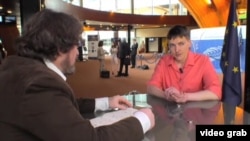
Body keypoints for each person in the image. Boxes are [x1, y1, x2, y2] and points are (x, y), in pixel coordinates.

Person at [0, 9, 155, 141]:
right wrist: (142, 120)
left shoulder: (21, 69)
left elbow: (61, 105)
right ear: (61, 48)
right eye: (77, 44)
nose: (78, 51)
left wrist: (107, 102)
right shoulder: (38, 85)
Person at [147, 25, 221, 103]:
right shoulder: (164, 61)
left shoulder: (203, 61)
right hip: (171, 112)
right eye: (172, 45)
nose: (177, 50)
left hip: (196, 112)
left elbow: (216, 93)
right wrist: (166, 96)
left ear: (189, 43)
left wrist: (185, 97)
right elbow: (151, 87)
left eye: (181, 44)